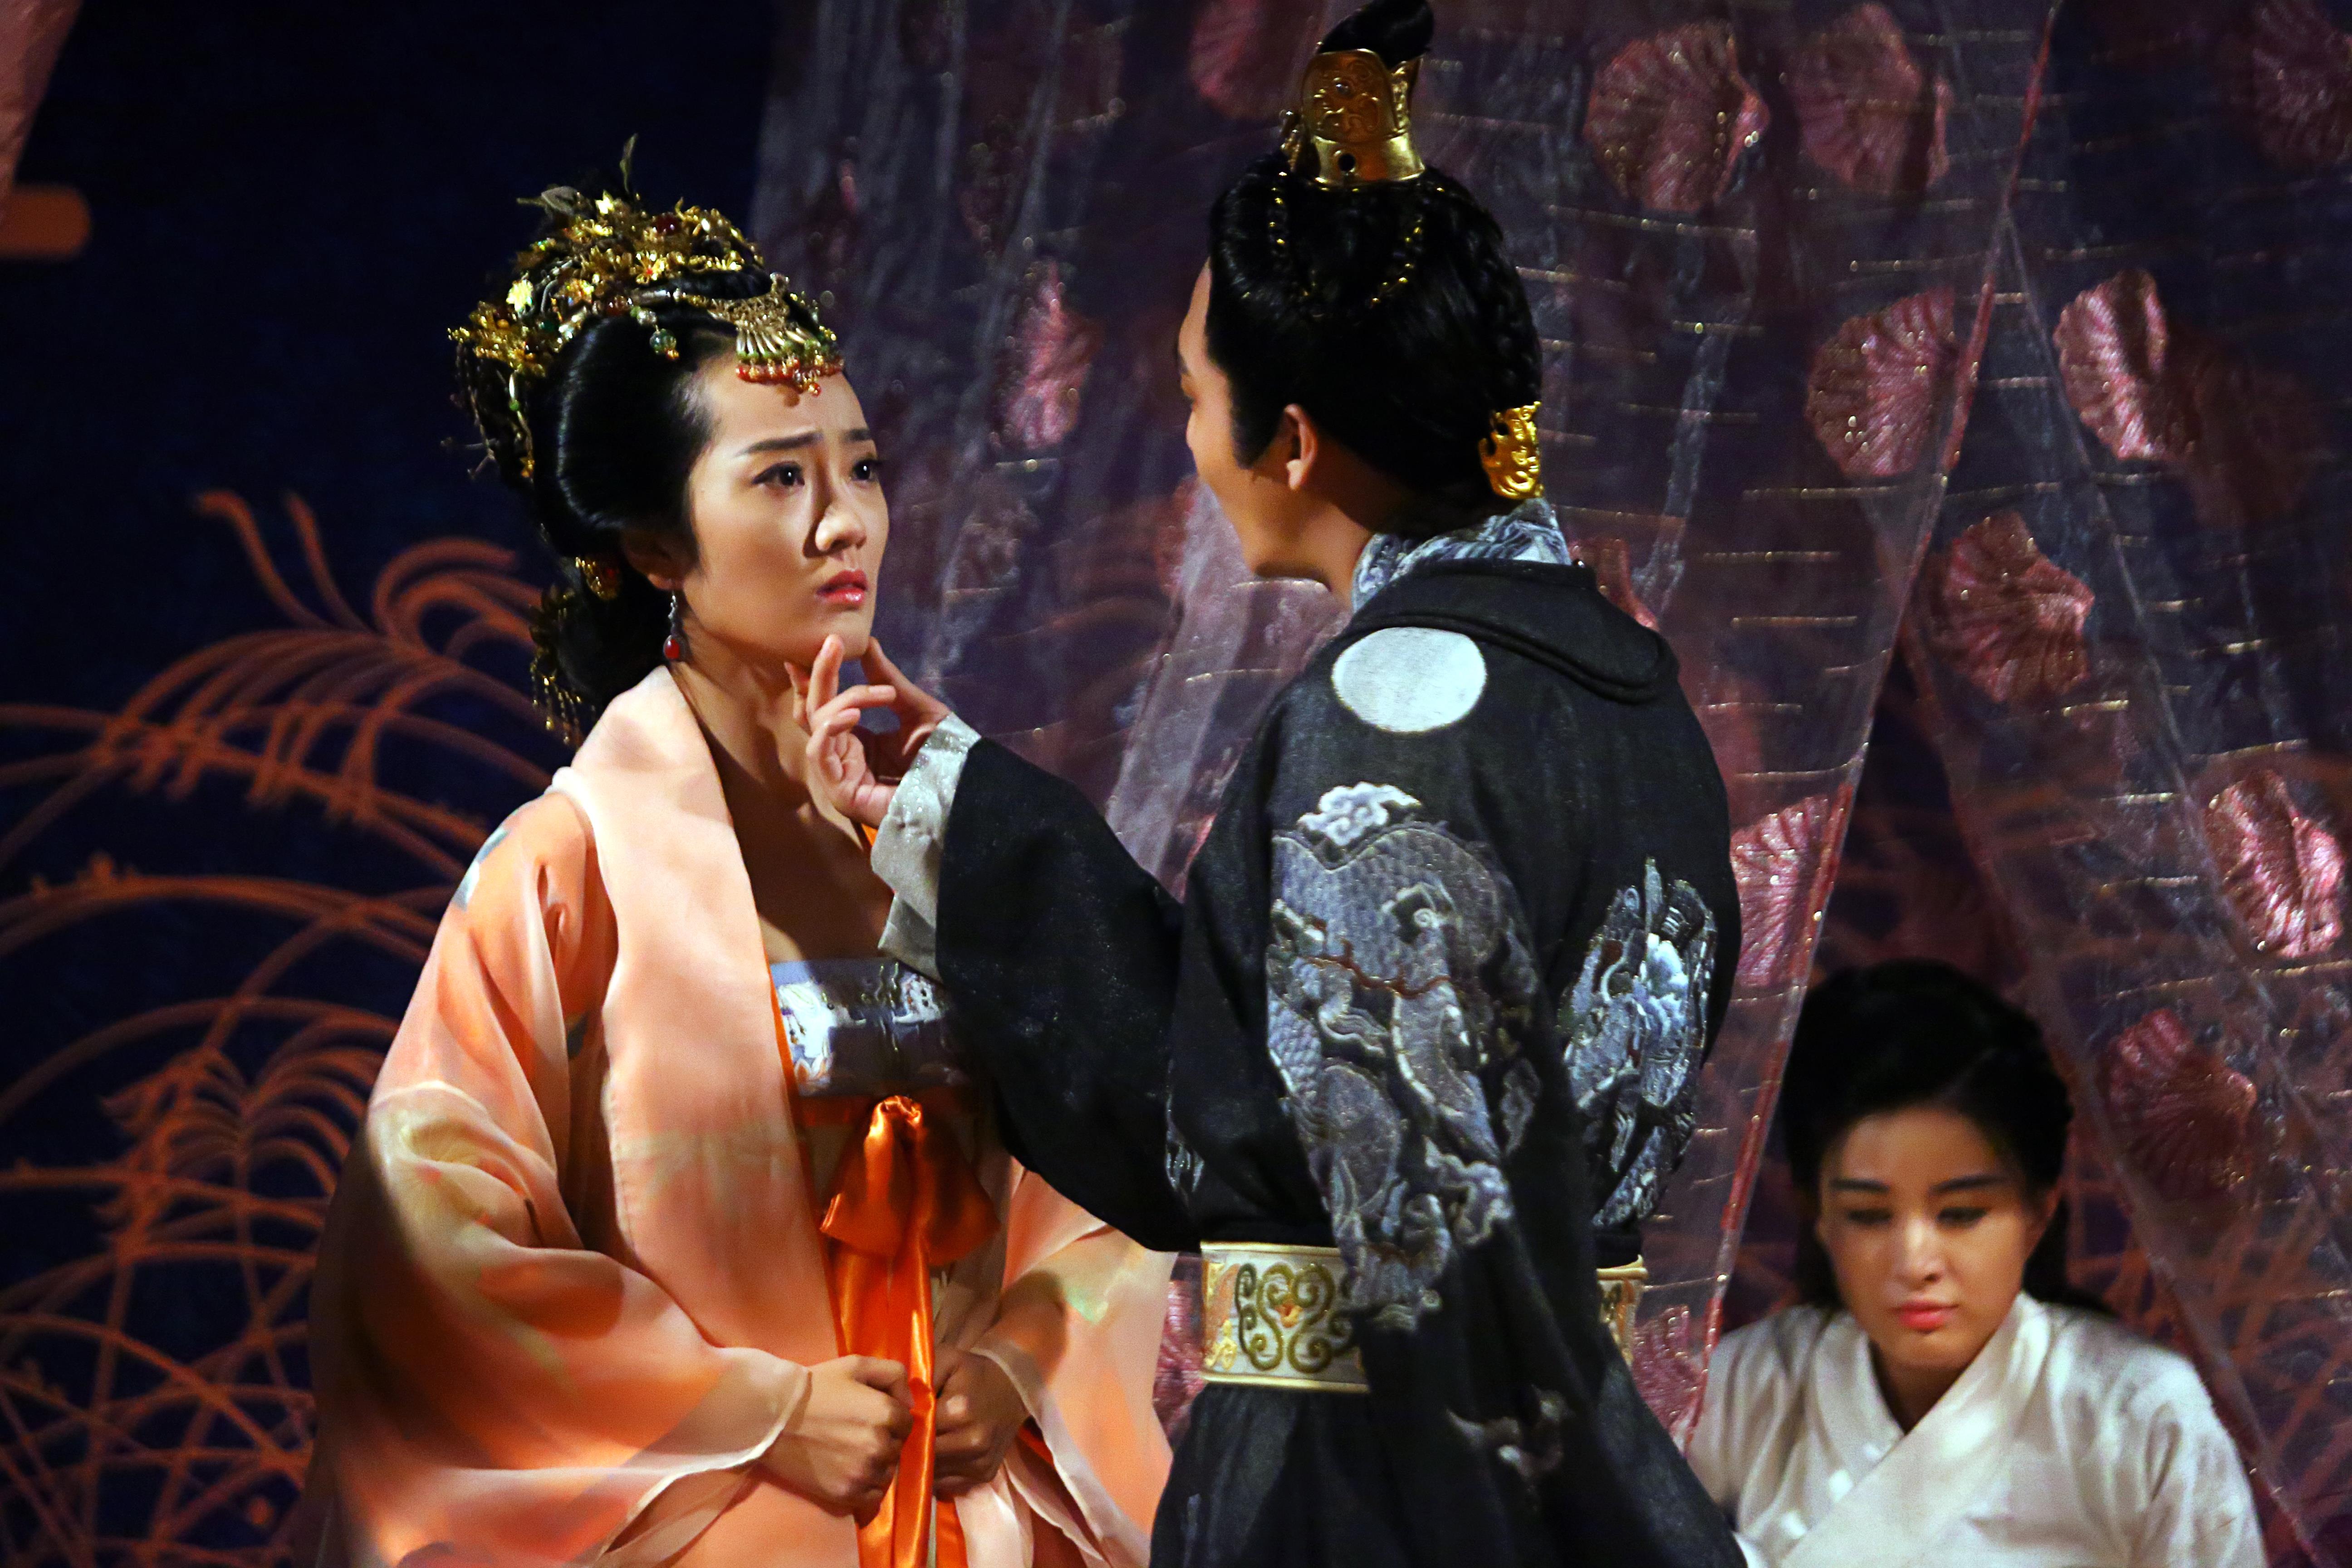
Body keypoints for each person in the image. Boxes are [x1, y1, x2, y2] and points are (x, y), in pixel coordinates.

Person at [796, 3, 1747, 1563]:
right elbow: (1260, 1071)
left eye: (1192, 391)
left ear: (1290, 439)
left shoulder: (1385, 714)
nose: (1191, 437)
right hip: (1547, 1469)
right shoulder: (1630, 691)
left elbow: (1296, 1162)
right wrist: (956, 801)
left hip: (1369, 1481)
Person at [298, 176, 1171, 1568]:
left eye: (861, 468)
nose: (845, 523)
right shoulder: (569, 867)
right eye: (779, 477)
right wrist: (752, 1409)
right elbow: (423, 1245)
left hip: (981, 1516)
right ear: (654, 545)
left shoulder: (953, 830)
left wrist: (1020, 1359)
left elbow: (1122, 1173)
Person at [1687, 960, 2263, 1566]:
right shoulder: (1746, 1387)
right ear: (1819, 1217)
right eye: (1868, 1216)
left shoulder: (2142, 1414)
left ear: (2037, 1214)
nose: (1915, 1263)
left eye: (1961, 1214)